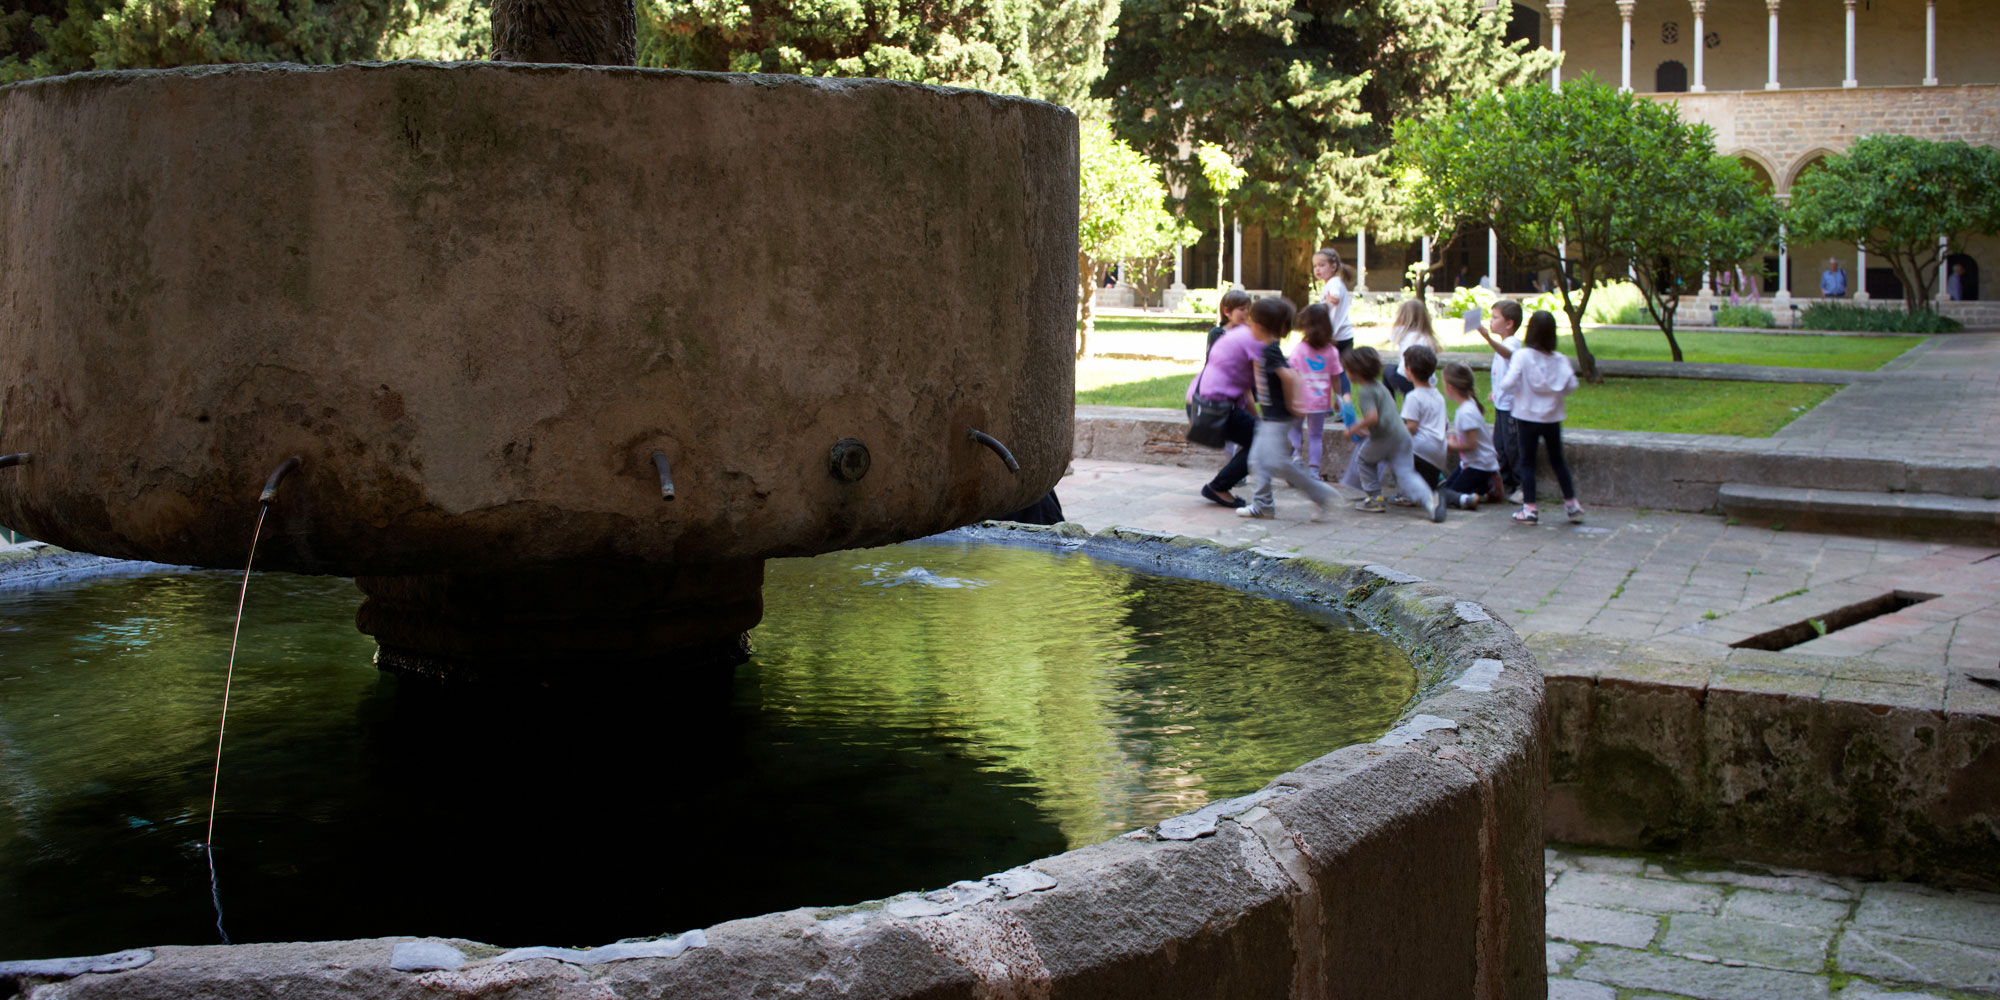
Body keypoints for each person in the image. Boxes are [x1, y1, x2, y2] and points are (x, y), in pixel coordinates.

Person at [1236, 296, 1340, 522]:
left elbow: (1290, 375)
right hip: (1270, 416)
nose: (1248, 326)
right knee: (1257, 460)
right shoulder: (1267, 348)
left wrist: (1295, 403)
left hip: (1278, 417)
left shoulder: (1270, 351)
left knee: (1275, 462)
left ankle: (1319, 494)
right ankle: (1263, 505)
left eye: (1251, 322)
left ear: (1260, 326)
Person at [1495, 310, 1582, 525]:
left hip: (1526, 415)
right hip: (1552, 416)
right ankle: (1571, 503)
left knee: (1527, 462)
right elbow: (1572, 385)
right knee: (1558, 460)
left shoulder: (1522, 356)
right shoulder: (1559, 360)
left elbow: (1507, 383)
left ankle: (1530, 507)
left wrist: (1513, 390)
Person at [1342, 345, 1443, 523]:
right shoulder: (1380, 387)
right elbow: (1385, 416)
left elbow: (1372, 417)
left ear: (1356, 372)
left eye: (1347, 369)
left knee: (1363, 459)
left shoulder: (1366, 391)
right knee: (1406, 474)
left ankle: (1374, 498)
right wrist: (1367, 430)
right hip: (1402, 436)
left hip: (1385, 438)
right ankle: (1429, 499)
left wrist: (1354, 428)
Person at [1187, 289, 1259, 508]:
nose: (1246, 314)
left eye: (1249, 309)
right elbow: (1245, 383)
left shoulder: (1244, 335)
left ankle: (1224, 482)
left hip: (1219, 399)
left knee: (1255, 438)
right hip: (1215, 402)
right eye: (1241, 309)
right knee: (1260, 438)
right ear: (1227, 311)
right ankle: (1220, 485)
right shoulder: (1228, 336)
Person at [1471, 298, 1525, 501]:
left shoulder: (1512, 343)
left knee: (1512, 447)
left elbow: (1507, 354)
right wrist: (1495, 392)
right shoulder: (1503, 344)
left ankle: (1521, 485)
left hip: (1512, 407)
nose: (1491, 322)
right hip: (1502, 404)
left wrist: (1487, 338)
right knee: (1500, 446)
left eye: (1495, 318)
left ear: (1509, 323)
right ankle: (1505, 483)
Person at [1286, 303, 1342, 480]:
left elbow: (1291, 372)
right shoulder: (1332, 351)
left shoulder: (1300, 349)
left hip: (1300, 399)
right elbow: (1336, 378)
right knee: (1315, 435)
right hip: (1319, 402)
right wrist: (1337, 398)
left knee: (1294, 429)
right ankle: (1314, 471)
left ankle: (1295, 456)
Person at [1389, 344, 1448, 506]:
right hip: (1439, 453)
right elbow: (1445, 426)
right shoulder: (1438, 396)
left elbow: (1411, 428)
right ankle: (1434, 486)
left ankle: (1406, 493)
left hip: (1422, 450)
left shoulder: (1414, 397)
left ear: (1409, 370)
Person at [1440, 362, 1503, 510]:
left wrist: (1450, 445)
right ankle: (1480, 488)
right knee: (1445, 490)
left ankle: (1486, 486)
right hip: (1470, 463)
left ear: (1450, 387)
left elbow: (1471, 444)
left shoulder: (1467, 411)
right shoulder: (1467, 406)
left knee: (1445, 497)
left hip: (1480, 465)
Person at [1314, 248, 1356, 395]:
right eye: (1315, 266)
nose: (1317, 269)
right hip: (1342, 336)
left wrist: (1330, 299)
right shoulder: (1330, 283)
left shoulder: (1334, 284)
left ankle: (1338, 407)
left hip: (1336, 338)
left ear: (1333, 266)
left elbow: (1335, 298)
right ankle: (1341, 406)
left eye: (1321, 265)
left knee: (1333, 372)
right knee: (1336, 373)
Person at [1383, 299, 1440, 398]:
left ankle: (1389, 404)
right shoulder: (1428, 338)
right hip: (1428, 380)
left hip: (1406, 377)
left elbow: (1390, 338)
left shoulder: (1400, 331)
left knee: (1387, 370)